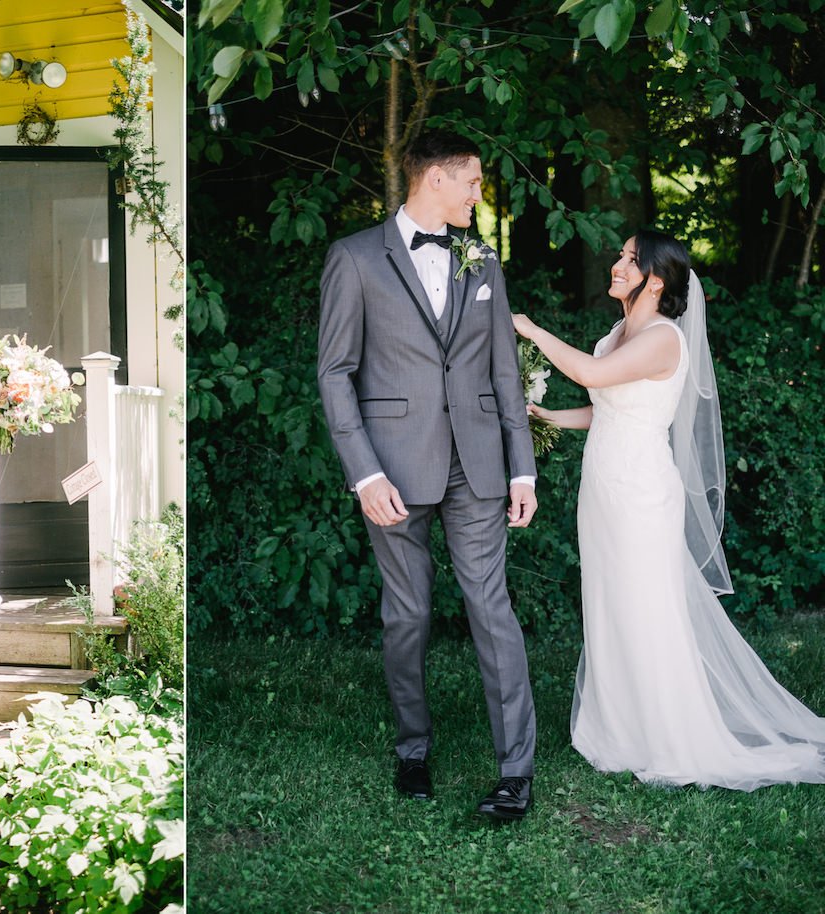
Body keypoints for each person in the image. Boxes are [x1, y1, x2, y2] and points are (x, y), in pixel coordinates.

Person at [514, 229, 825, 789]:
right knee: (609, 604)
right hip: (603, 491)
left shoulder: (663, 338)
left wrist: (531, 330)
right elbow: (603, 406)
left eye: (628, 260)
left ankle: (669, 737)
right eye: (619, 257)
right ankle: (619, 729)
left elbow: (588, 373)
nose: (615, 265)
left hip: (640, 494)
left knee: (646, 609)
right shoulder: (620, 332)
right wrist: (544, 417)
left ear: (655, 279)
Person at [318, 129, 540, 820]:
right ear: (435, 180)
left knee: (491, 611)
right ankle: (413, 750)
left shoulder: (484, 261)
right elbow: (334, 373)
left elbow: (504, 370)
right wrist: (364, 474)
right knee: (407, 615)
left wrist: (522, 469)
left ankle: (516, 772)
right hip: (392, 471)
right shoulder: (354, 259)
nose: (479, 193)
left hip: (477, 468)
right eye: (471, 181)